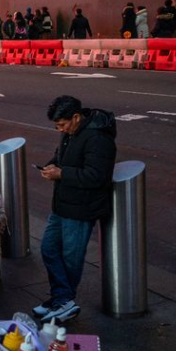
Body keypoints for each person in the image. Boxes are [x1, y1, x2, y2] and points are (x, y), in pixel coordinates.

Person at [34, 96, 116, 323]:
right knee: (49, 249)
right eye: (57, 126)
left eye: (62, 125)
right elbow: (63, 157)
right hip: (62, 204)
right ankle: (61, 298)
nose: (60, 130)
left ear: (77, 117)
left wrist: (61, 174)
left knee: (71, 257)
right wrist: (53, 164)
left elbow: (97, 176)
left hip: (82, 208)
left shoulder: (98, 138)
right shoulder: (71, 132)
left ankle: (64, 301)